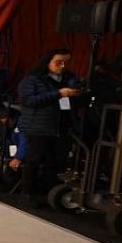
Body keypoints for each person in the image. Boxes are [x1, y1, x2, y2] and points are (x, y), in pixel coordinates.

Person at [17, 48, 81, 208]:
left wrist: (76, 90)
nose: (62, 65)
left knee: (56, 162)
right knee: (34, 160)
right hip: (38, 126)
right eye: (58, 62)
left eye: (66, 62)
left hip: (61, 127)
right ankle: (28, 193)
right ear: (48, 62)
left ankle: (50, 193)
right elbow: (28, 101)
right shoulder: (32, 79)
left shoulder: (68, 77)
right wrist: (58, 94)